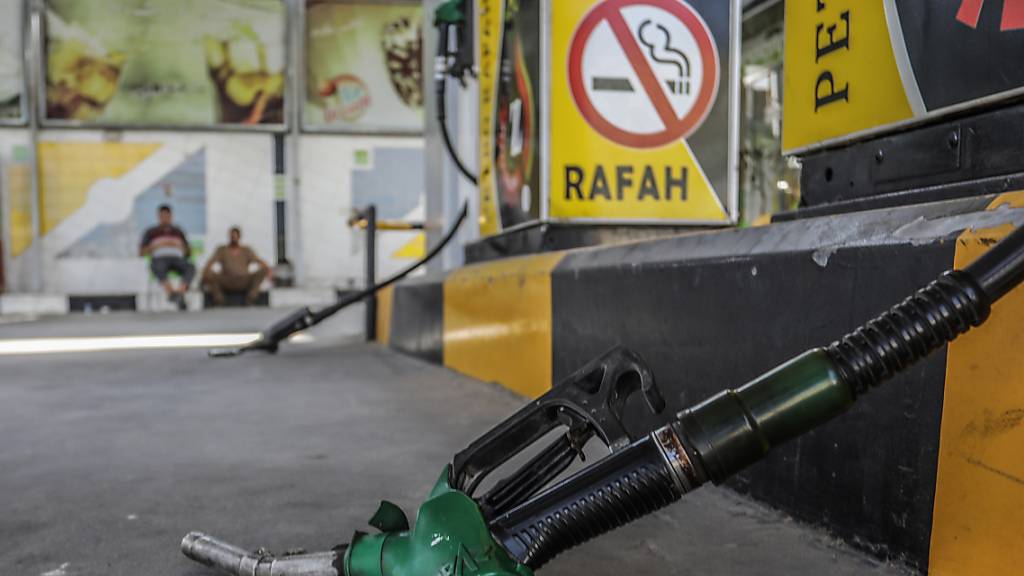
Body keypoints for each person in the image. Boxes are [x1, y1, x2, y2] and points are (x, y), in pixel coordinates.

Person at [140, 204, 194, 311]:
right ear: (158, 216)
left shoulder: (178, 231)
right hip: (159, 258)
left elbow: (189, 252)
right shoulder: (151, 232)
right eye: (162, 216)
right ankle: (171, 293)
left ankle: (179, 293)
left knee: (190, 267)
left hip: (177, 258)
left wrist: (180, 246)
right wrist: (156, 246)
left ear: (171, 216)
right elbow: (141, 252)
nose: (164, 218)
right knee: (156, 266)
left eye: (167, 215)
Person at [201, 226, 271, 306]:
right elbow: (211, 262)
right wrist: (205, 273)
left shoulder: (246, 250)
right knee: (210, 273)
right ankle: (219, 300)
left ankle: (251, 299)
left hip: (243, 280)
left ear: (239, 237)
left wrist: (269, 271)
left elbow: (259, 261)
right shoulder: (222, 249)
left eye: (235, 236)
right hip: (226, 280)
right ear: (229, 236)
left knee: (262, 271)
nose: (234, 238)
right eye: (232, 236)